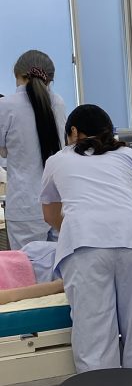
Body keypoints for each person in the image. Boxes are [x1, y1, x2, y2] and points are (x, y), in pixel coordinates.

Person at [39, 104, 132, 386]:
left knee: (95, 338)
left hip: (85, 246)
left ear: (73, 132)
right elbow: (131, 198)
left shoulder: (59, 159)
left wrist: (79, 225)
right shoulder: (130, 156)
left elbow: (50, 215)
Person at [0, 50, 66, 249]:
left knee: (27, 265)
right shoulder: (58, 103)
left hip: (25, 206)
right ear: (50, 79)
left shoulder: (6, 106)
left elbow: (2, 151)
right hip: (58, 201)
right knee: (60, 262)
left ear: (18, 75)